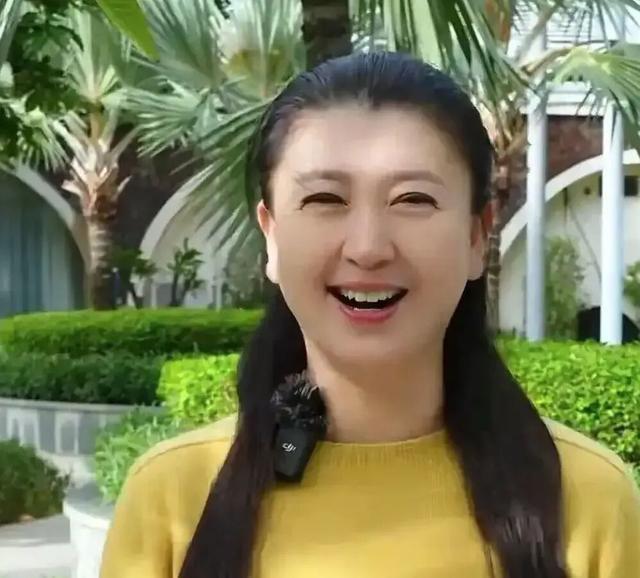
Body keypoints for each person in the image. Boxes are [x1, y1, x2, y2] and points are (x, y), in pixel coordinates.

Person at [100, 51, 640, 578]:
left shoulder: (588, 501)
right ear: (272, 236)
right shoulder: (173, 501)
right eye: (325, 200)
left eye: (413, 200)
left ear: (477, 236)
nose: (367, 248)